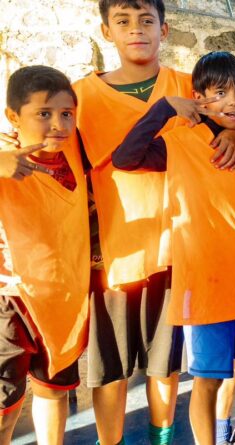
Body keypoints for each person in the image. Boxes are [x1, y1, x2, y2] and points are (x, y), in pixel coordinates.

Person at [72, 2, 235, 444]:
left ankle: (161, 439)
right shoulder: (80, 96)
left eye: (146, 20)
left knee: (164, 364)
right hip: (115, 251)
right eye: (123, 21)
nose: (136, 30)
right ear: (106, 31)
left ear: (164, 29)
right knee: (110, 370)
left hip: (178, 251)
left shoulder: (188, 84)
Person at [112, 51, 235, 445]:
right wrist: (164, 108)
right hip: (205, 281)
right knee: (206, 381)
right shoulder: (179, 142)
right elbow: (125, 158)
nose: (233, 102)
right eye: (220, 93)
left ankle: (222, 432)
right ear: (198, 97)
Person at [0, 66, 89, 445]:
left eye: (66, 113)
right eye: (43, 113)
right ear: (13, 117)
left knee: (53, 391)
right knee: (5, 402)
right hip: (13, 300)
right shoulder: (6, 158)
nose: (58, 124)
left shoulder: (76, 150)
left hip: (64, 300)